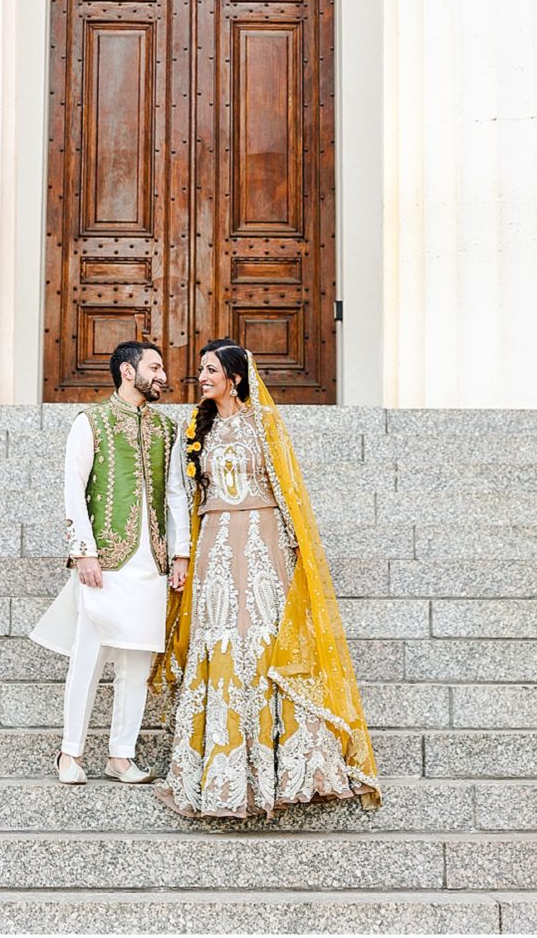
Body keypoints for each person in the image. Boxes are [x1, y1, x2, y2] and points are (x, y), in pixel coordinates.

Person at [152, 339, 381, 820]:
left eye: (210, 369)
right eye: (200, 369)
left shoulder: (265, 423)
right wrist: (182, 554)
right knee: (221, 640)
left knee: (264, 639)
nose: (202, 376)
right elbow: (187, 493)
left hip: (263, 543)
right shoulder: (194, 427)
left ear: (234, 377)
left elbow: (288, 489)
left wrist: (297, 553)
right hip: (214, 542)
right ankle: (224, 772)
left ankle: (290, 768)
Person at [30, 339, 190, 784]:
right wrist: (84, 552)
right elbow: (73, 489)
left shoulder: (165, 429)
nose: (163, 376)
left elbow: (176, 494)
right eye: (154, 367)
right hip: (105, 561)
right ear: (127, 370)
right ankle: (70, 754)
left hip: (152, 564)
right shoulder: (91, 422)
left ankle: (121, 756)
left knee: (137, 664)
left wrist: (180, 552)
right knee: (89, 659)